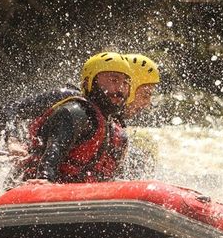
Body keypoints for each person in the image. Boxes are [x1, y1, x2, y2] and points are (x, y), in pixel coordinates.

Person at [11, 51, 132, 184]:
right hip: (28, 189)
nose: (120, 89)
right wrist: (45, 178)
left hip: (82, 196)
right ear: (88, 83)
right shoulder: (74, 113)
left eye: (125, 83)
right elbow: (54, 150)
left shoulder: (117, 132)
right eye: (113, 80)